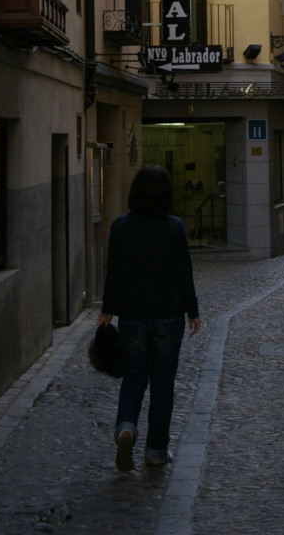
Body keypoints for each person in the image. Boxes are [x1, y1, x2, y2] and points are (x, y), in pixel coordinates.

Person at [97, 165, 200, 472]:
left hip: (132, 316)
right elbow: (184, 273)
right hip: (168, 316)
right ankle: (155, 450)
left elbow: (113, 271)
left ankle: (126, 427)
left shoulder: (120, 226)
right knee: (163, 384)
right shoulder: (174, 227)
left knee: (134, 377)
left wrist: (107, 309)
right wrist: (193, 311)